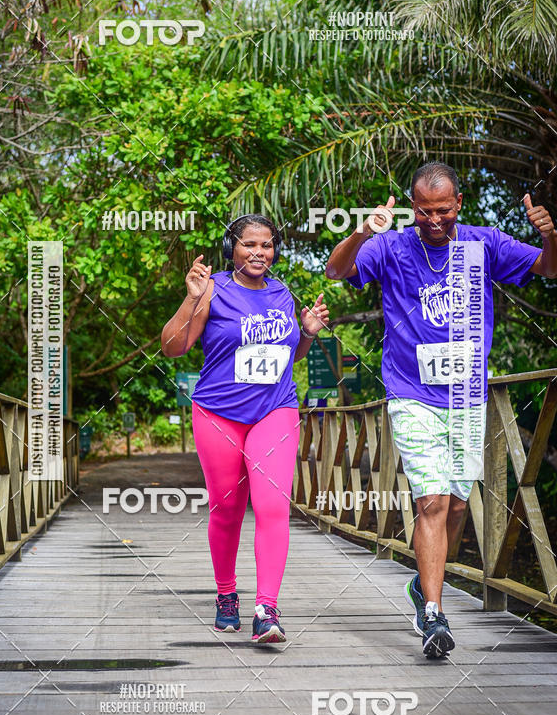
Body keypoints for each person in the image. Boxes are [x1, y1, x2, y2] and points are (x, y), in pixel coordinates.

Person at [325, 162, 556, 658]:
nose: (434, 221)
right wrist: (363, 231)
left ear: (459, 204)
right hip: (411, 393)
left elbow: (549, 268)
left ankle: (421, 583)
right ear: (413, 207)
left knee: (455, 505)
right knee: (430, 501)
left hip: (467, 397)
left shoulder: (482, 243)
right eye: (425, 212)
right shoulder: (391, 246)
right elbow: (335, 270)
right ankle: (433, 613)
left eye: (444, 211)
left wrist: (549, 236)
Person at [161, 214, 329, 643]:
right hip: (218, 413)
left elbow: (285, 355)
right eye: (249, 244)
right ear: (231, 248)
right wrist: (190, 300)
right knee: (228, 508)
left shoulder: (282, 293)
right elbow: (172, 348)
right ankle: (226, 595)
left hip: (276, 409)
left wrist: (307, 334)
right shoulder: (212, 288)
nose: (259, 252)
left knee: (272, 507)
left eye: (266, 245)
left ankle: (266, 609)